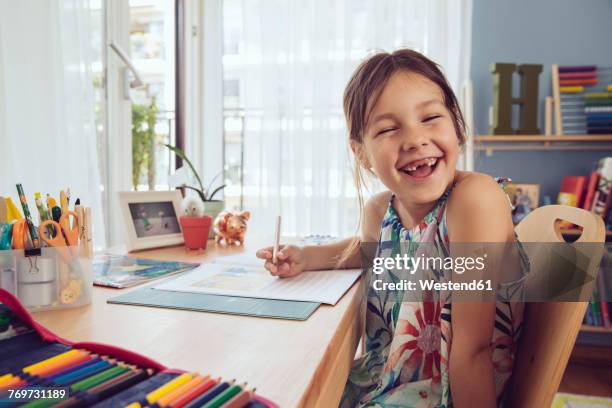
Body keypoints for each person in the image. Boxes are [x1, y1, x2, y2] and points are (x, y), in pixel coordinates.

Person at [257, 49, 527, 407]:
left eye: (430, 117)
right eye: (388, 129)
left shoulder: (475, 201)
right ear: (362, 153)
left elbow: (474, 350)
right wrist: (306, 257)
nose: (415, 139)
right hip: (383, 379)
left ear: (457, 127)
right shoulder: (380, 210)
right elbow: (368, 250)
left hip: (448, 392)